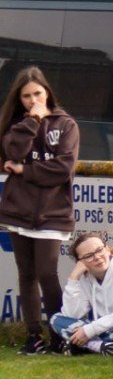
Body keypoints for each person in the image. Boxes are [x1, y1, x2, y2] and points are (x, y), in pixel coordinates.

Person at [0, 67, 79, 355]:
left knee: (47, 272)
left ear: (47, 92)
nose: (33, 99)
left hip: (53, 212)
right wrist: (32, 121)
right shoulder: (17, 125)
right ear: (18, 99)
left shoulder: (66, 124)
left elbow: (63, 168)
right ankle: (33, 336)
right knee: (26, 273)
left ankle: (58, 333)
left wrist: (24, 170)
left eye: (37, 93)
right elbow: (11, 153)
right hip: (19, 210)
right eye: (26, 96)